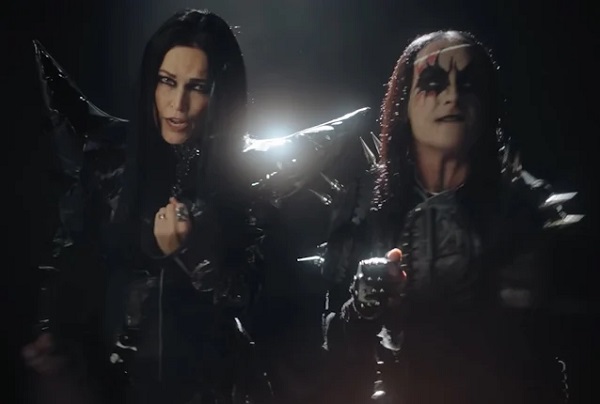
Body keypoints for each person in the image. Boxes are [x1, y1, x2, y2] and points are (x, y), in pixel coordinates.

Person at [23, 9, 272, 404]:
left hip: (211, 386)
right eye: (167, 81)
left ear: (220, 94)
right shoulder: (110, 158)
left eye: (197, 87)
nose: (178, 104)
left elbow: (252, 294)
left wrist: (190, 254)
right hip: (112, 379)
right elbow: (72, 250)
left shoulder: (246, 175)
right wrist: (49, 328)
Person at [319, 30, 578, 404]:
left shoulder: (525, 210)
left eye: (469, 84)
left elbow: (548, 349)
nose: (453, 96)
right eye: (433, 82)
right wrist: (362, 306)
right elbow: (331, 350)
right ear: (404, 102)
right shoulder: (361, 204)